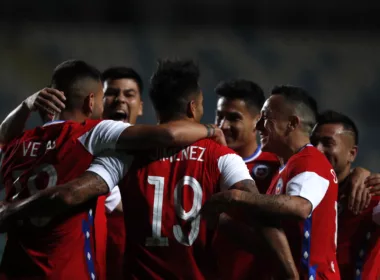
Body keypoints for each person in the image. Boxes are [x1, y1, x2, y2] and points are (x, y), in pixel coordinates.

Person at [0, 59, 224, 280]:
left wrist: (26, 105)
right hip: (65, 271)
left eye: (129, 95)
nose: (116, 102)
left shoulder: (15, 145)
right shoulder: (94, 133)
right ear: (91, 102)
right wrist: (209, 129)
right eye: (105, 96)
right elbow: (169, 135)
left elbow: (3, 136)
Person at [202, 85, 340, 279]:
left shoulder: (310, 161)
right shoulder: (287, 168)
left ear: (292, 123)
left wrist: (237, 196)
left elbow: (300, 207)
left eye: (266, 118)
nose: (258, 126)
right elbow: (266, 246)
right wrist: (221, 221)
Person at [213, 79, 281, 279]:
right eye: (219, 117)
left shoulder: (276, 165)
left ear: (258, 121)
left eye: (234, 118)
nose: (223, 126)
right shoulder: (204, 159)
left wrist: (360, 174)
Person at [310, 110, 380, 279]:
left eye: (327, 143)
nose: (317, 150)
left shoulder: (370, 195)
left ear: (352, 153)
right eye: (314, 143)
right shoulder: (302, 194)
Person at [102, 66, 145, 280]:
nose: (120, 99)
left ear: (141, 107)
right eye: (111, 93)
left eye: (129, 94)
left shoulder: (154, 159)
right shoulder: (78, 153)